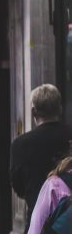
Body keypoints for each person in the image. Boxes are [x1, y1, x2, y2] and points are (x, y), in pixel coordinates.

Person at [10, 84, 72, 225]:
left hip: (38, 223)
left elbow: (17, 185)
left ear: (33, 112)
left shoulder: (20, 144)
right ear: (60, 109)